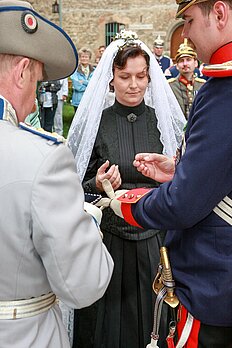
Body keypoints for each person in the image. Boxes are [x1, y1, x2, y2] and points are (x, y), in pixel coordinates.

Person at [101, 0, 232, 346]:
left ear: (219, 14)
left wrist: (126, 203)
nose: (184, 33)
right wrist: (180, 169)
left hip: (214, 283)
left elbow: (184, 205)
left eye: (188, 20)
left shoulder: (224, 91)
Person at [0, 1, 113, 348]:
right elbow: (83, 284)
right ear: (21, 71)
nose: (34, 103)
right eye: (35, 82)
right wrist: (87, 218)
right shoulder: (42, 158)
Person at [67, 30, 186, 348]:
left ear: (150, 78)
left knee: (155, 324)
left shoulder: (160, 123)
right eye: (125, 77)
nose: (134, 84)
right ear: (112, 79)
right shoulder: (99, 124)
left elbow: (184, 183)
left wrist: (169, 178)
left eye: (140, 76)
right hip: (109, 244)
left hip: (154, 244)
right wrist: (98, 183)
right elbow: (77, 186)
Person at [168, 39, 205, 119]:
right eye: (181, 61)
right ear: (177, 66)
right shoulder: (170, 86)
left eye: (188, 60)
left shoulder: (202, 85)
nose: (185, 64)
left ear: (195, 63)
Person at [70, 47, 95, 113]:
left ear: (89, 58)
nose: (84, 58)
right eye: (82, 57)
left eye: (86, 57)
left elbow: (94, 85)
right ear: (80, 58)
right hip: (78, 100)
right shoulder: (75, 71)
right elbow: (77, 86)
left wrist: (83, 82)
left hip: (90, 100)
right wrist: (89, 84)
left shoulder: (94, 71)